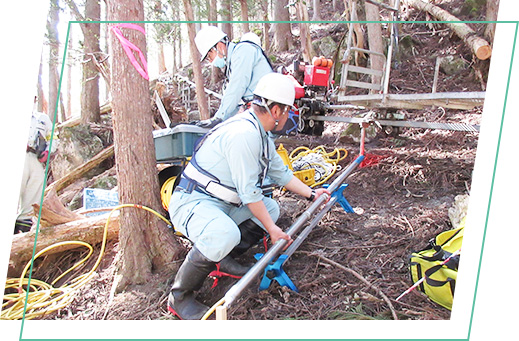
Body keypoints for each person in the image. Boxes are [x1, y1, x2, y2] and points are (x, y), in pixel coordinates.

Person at [166, 73, 331, 320]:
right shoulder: (244, 135)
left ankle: (223, 259)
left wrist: (311, 194)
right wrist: (272, 230)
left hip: (221, 203)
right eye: (287, 110)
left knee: (271, 208)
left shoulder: (261, 134)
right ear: (275, 110)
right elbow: (249, 193)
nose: (289, 116)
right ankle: (180, 297)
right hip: (193, 202)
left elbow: (280, 173)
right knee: (228, 232)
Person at [194, 26, 273, 128]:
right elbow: (234, 103)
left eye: (210, 56)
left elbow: (236, 89)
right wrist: (217, 121)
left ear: (219, 46)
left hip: (268, 109)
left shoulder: (243, 51)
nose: (210, 61)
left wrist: (218, 118)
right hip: (260, 109)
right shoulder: (232, 63)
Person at [15, 110, 54, 234]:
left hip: (35, 157)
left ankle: (24, 226)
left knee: (34, 190)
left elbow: (52, 136)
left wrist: (48, 150)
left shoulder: (42, 118)